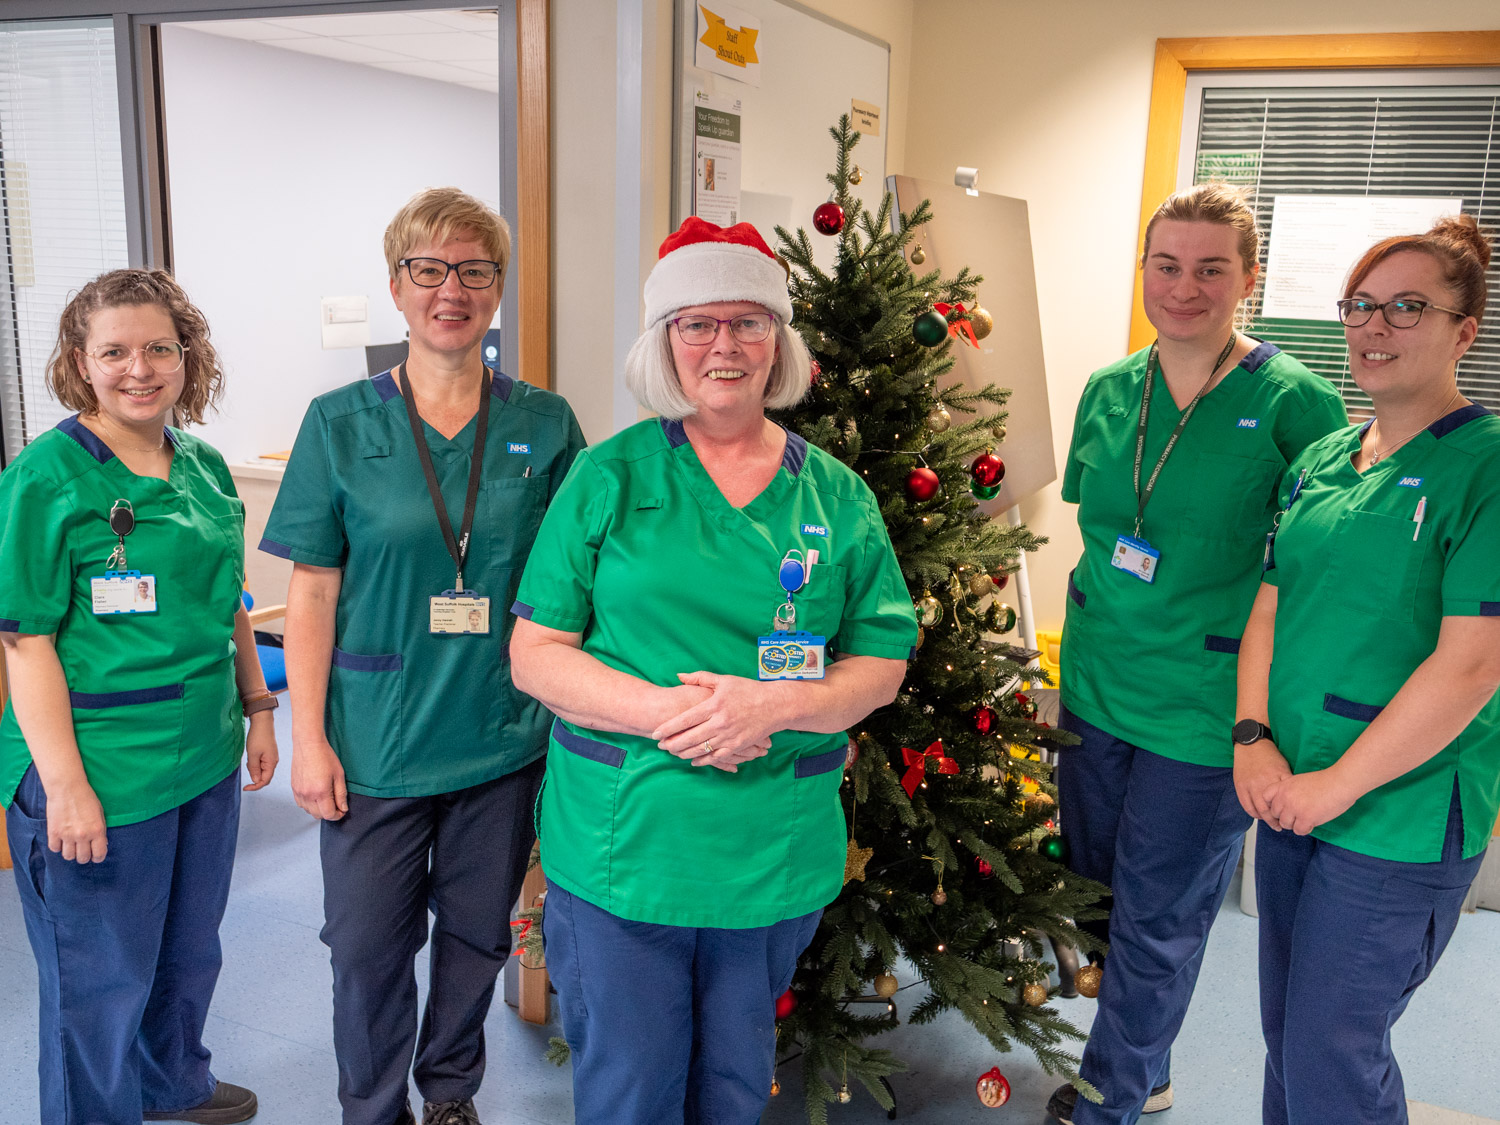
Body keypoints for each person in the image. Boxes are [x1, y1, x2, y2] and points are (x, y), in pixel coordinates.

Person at [508, 217, 916, 1125]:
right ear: (665, 343)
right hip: (630, 836)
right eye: (697, 323)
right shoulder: (607, 478)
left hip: (769, 837)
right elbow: (535, 653)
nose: (723, 345)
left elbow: (882, 659)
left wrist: (772, 709)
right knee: (630, 1084)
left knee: (736, 1079)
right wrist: (673, 715)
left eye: (748, 321)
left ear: (780, 342)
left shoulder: (835, 495)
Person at [260, 187, 585, 1125]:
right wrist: (308, 735)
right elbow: (312, 595)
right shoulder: (338, 424)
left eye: (476, 270)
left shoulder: (546, 424)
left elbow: (578, 582)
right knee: (366, 946)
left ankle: (449, 1092)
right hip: (375, 741)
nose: (453, 289)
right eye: (429, 269)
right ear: (398, 284)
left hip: (501, 732)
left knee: (478, 936)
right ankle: (371, 1106)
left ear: (496, 287)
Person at [1047, 183, 1348, 1125]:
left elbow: (1312, 563)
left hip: (1205, 704)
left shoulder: (1297, 403)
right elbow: (1102, 529)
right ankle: (1151, 1057)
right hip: (1096, 685)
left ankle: (1113, 1095)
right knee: (1094, 893)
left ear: (1247, 280)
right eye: (1166, 265)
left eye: (1211, 269)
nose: (1185, 287)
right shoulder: (1109, 388)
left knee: (1161, 914)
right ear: (1143, 271)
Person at [1236, 215, 1500, 1125]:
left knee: (1331, 1048)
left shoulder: (1487, 469)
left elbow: (1472, 667)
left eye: (1407, 308)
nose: (1373, 327)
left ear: (1464, 331)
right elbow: (1269, 607)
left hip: (1398, 809)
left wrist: (1337, 785)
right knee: (1286, 1033)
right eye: (1360, 306)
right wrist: (1252, 740)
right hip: (1293, 787)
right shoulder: (1323, 458)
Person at [0, 269, 279, 1125]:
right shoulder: (45, 479)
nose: (139, 367)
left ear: (187, 355)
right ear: (80, 363)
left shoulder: (200, 465)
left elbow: (226, 597)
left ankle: (173, 1085)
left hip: (201, 757)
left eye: (160, 346)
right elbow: (25, 639)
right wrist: (68, 787)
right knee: (99, 981)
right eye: (114, 350)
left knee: (189, 951)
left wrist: (259, 704)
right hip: (99, 772)